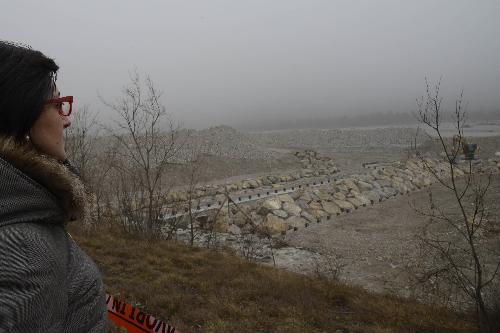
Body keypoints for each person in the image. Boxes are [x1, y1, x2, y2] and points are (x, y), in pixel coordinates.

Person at [0, 41, 107, 332]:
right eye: (58, 105)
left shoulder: (23, 213)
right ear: (22, 116)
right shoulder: (24, 248)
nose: (67, 119)